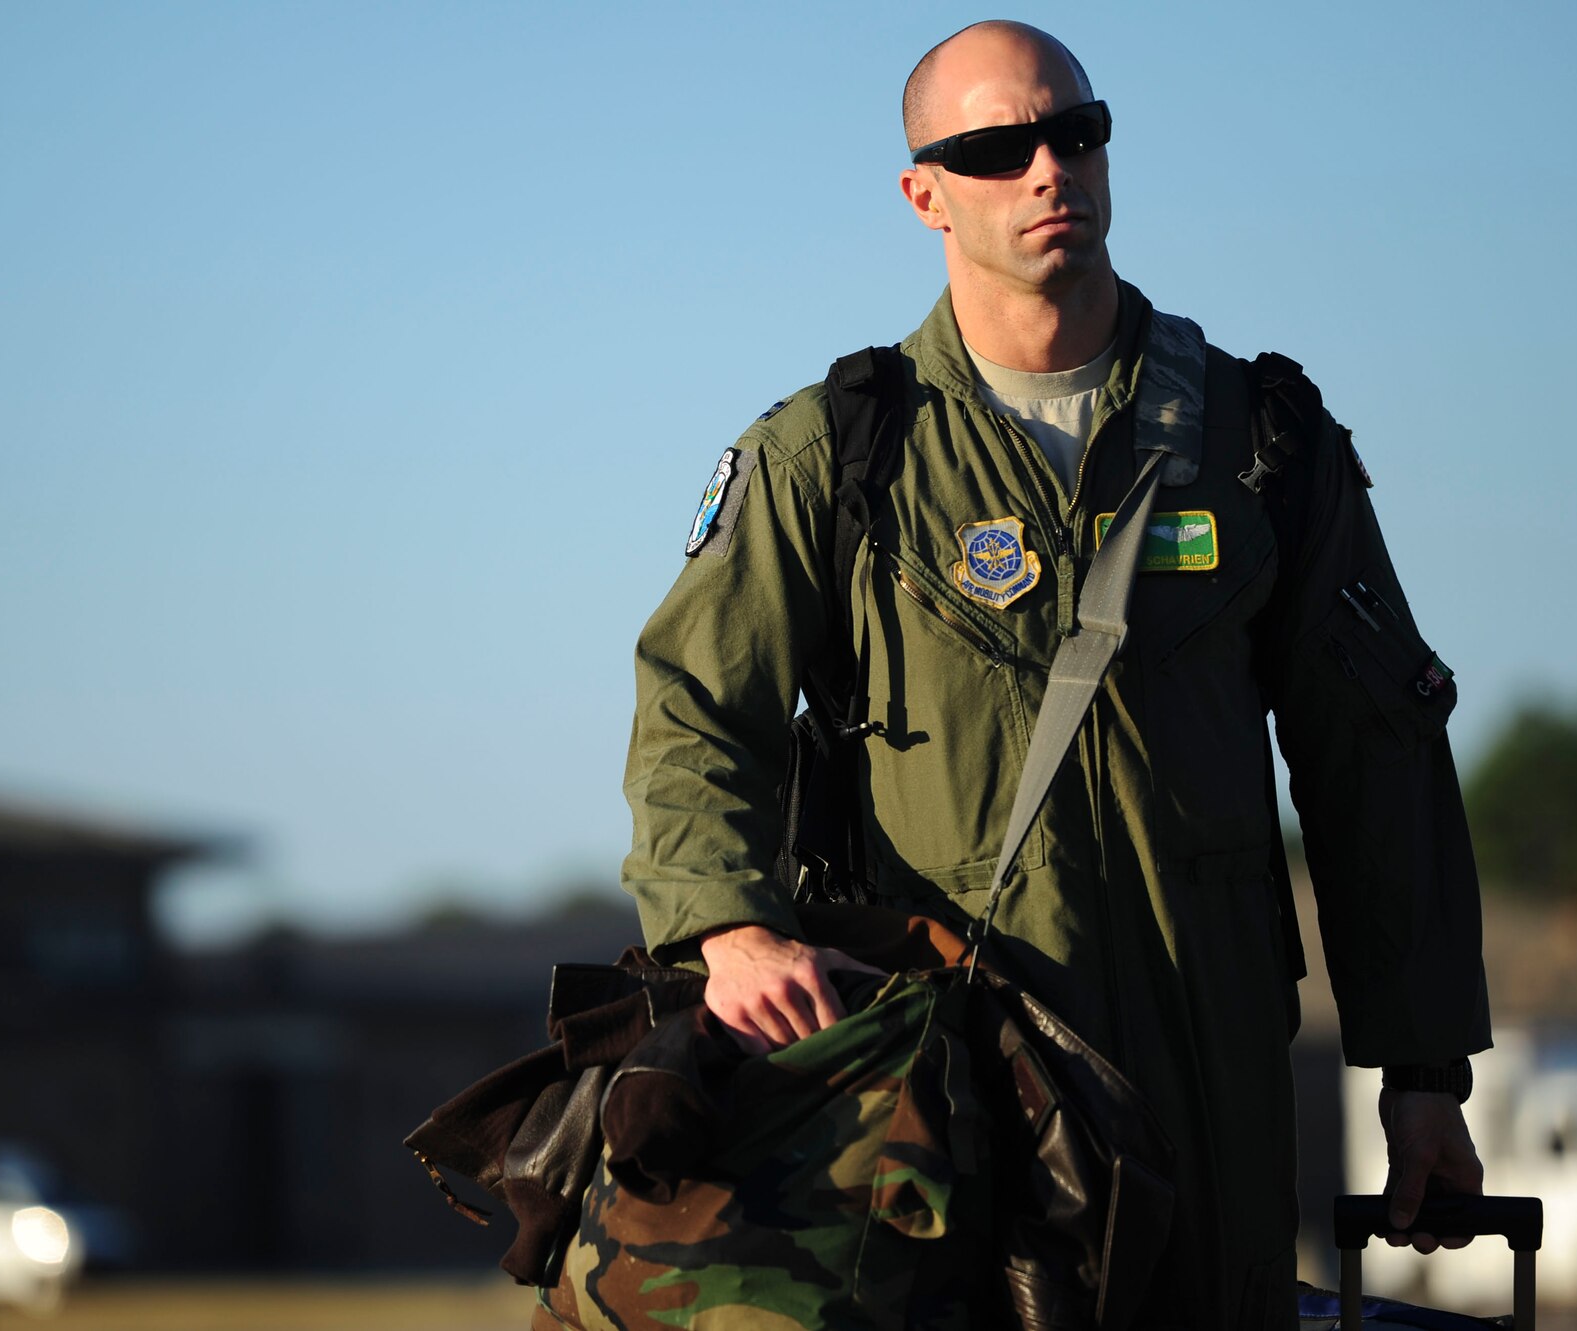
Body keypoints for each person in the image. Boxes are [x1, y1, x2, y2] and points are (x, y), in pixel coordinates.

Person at [620, 19, 1491, 1328]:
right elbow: (695, 708)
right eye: (995, 146)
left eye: (1074, 132)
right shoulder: (837, 452)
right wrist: (729, 928)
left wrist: (1423, 1067)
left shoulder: (1261, 439)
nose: (1047, 168)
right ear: (925, 193)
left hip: (1213, 1069)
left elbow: (1376, 756)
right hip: (954, 1071)